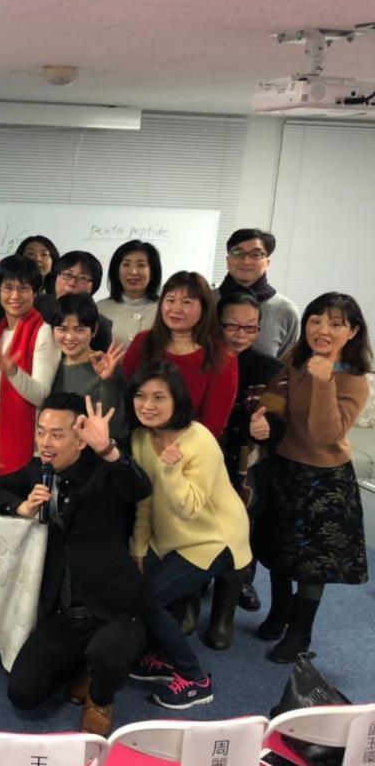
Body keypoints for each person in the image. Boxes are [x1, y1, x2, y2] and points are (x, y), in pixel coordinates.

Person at [0, 394, 151, 736]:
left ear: (81, 439)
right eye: (41, 432)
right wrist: (20, 507)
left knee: (109, 654)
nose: (45, 442)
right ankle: (85, 666)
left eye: (57, 434)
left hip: (113, 607)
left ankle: (100, 698)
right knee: (23, 694)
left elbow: (139, 488)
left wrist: (108, 449)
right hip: (63, 613)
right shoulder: (39, 471)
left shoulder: (105, 470)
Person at [249, 293, 371, 662]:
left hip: (324, 478)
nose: (322, 330)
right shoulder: (295, 359)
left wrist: (324, 381)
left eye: (335, 324)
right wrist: (265, 418)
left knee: (312, 561)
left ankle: (300, 633)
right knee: (277, 546)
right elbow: (275, 400)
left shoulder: (354, 381)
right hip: (284, 466)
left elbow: (324, 434)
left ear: (352, 332)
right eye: (315, 320)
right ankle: (280, 611)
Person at [126, 362, 251, 710]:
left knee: (147, 599)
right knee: (132, 589)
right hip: (172, 536)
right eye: (140, 396)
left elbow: (192, 508)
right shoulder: (140, 437)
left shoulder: (200, 440)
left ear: (177, 400)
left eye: (159, 397)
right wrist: (139, 547)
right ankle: (163, 657)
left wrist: (171, 470)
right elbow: (144, 498)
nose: (147, 405)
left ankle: (195, 679)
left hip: (214, 538)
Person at [217, 292, 282, 616]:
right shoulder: (204, 360)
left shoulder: (270, 368)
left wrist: (269, 426)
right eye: (232, 326)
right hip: (208, 455)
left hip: (248, 462)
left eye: (250, 327)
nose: (241, 335)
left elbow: (280, 418)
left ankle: (240, 583)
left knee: (245, 525)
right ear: (217, 325)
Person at [0, 255, 60, 480]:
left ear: (35, 292)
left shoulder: (43, 333)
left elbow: (41, 396)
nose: (14, 296)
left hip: (25, 443)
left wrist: (12, 371)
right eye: (8, 288)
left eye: (23, 288)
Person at [122, 271, 238, 438]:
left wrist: (180, 445)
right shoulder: (144, 342)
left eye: (186, 302)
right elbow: (126, 395)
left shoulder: (221, 355)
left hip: (192, 445)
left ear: (204, 308)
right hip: (140, 438)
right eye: (170, 300)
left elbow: (214, 421)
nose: (176, 309)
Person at [49, 293, 129, 442]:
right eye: (62, 329)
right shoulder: (51, 365)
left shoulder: (107, 366)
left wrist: (107, 380)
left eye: (79, 329)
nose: (70, 337)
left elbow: (117, 429)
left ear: (94, 330)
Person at [214, 228, 300, 360]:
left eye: (256, 254)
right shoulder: (205, 300)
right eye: (238, 253)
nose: (246, 261)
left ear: (267, 263)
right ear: (227, 260)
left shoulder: (285, 310)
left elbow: (283, 364)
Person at [35, 250, 114, 353]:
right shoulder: (35, 306)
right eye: (67, 275)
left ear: (93, 287)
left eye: (82, 278)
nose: (72, 283)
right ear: (56, 277)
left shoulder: (101, 325)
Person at [98, 240, 161, 345]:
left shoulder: (165, 309)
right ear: (117, 272)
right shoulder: (101, 309)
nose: (133, 272)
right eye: (126, 264)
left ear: (153, 273)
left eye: (141, 265)